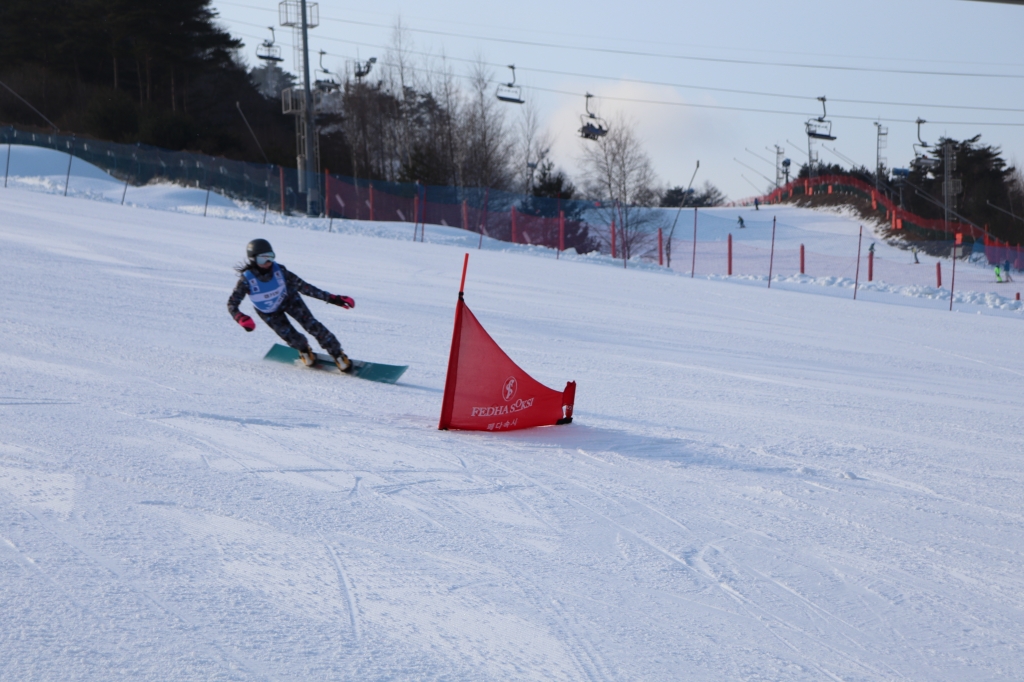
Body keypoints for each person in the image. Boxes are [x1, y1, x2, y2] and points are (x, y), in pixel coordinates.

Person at [228, 238, 355, 371]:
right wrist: (241, 318)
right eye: (262, 259)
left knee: (313, 326)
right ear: (253, 259)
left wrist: (334, 299)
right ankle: (305, 350)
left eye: (270, 257)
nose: (267, 263)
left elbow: (304, 287)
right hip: (269, 312)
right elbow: (232, 304)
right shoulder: (247, 280)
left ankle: (338, 355)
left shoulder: (280, 271)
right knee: (291, 337)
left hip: (290, 300)